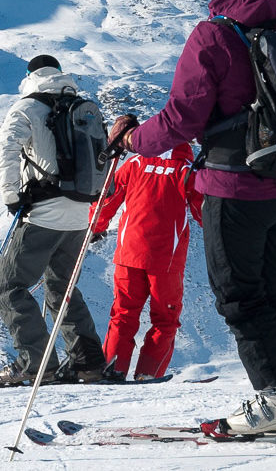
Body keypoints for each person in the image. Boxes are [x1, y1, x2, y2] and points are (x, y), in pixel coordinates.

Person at [107, 0, 276, 436]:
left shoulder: (214, 35)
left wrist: (131, 141)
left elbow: (180, 120)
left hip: (235, 189)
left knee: (239, 296)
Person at [0, 55, 108, 386]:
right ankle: (88, 363)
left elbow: (6, 149)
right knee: (62, 287)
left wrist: (12, 198)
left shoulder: (28, 107)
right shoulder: (82, 105)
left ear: (29, 76)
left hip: (43, 213)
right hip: (80, 214)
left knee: (9, 288)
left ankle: (36, 363)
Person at [89, 143, 203, 381]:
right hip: (166, 260)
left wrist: (95, 225)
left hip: (128, 255)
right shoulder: (188, 171)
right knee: (165, 319)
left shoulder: (136, 163)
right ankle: (148, 374)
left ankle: (112, 368)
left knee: (123, 314)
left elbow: (108, 197)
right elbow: (204, 213)